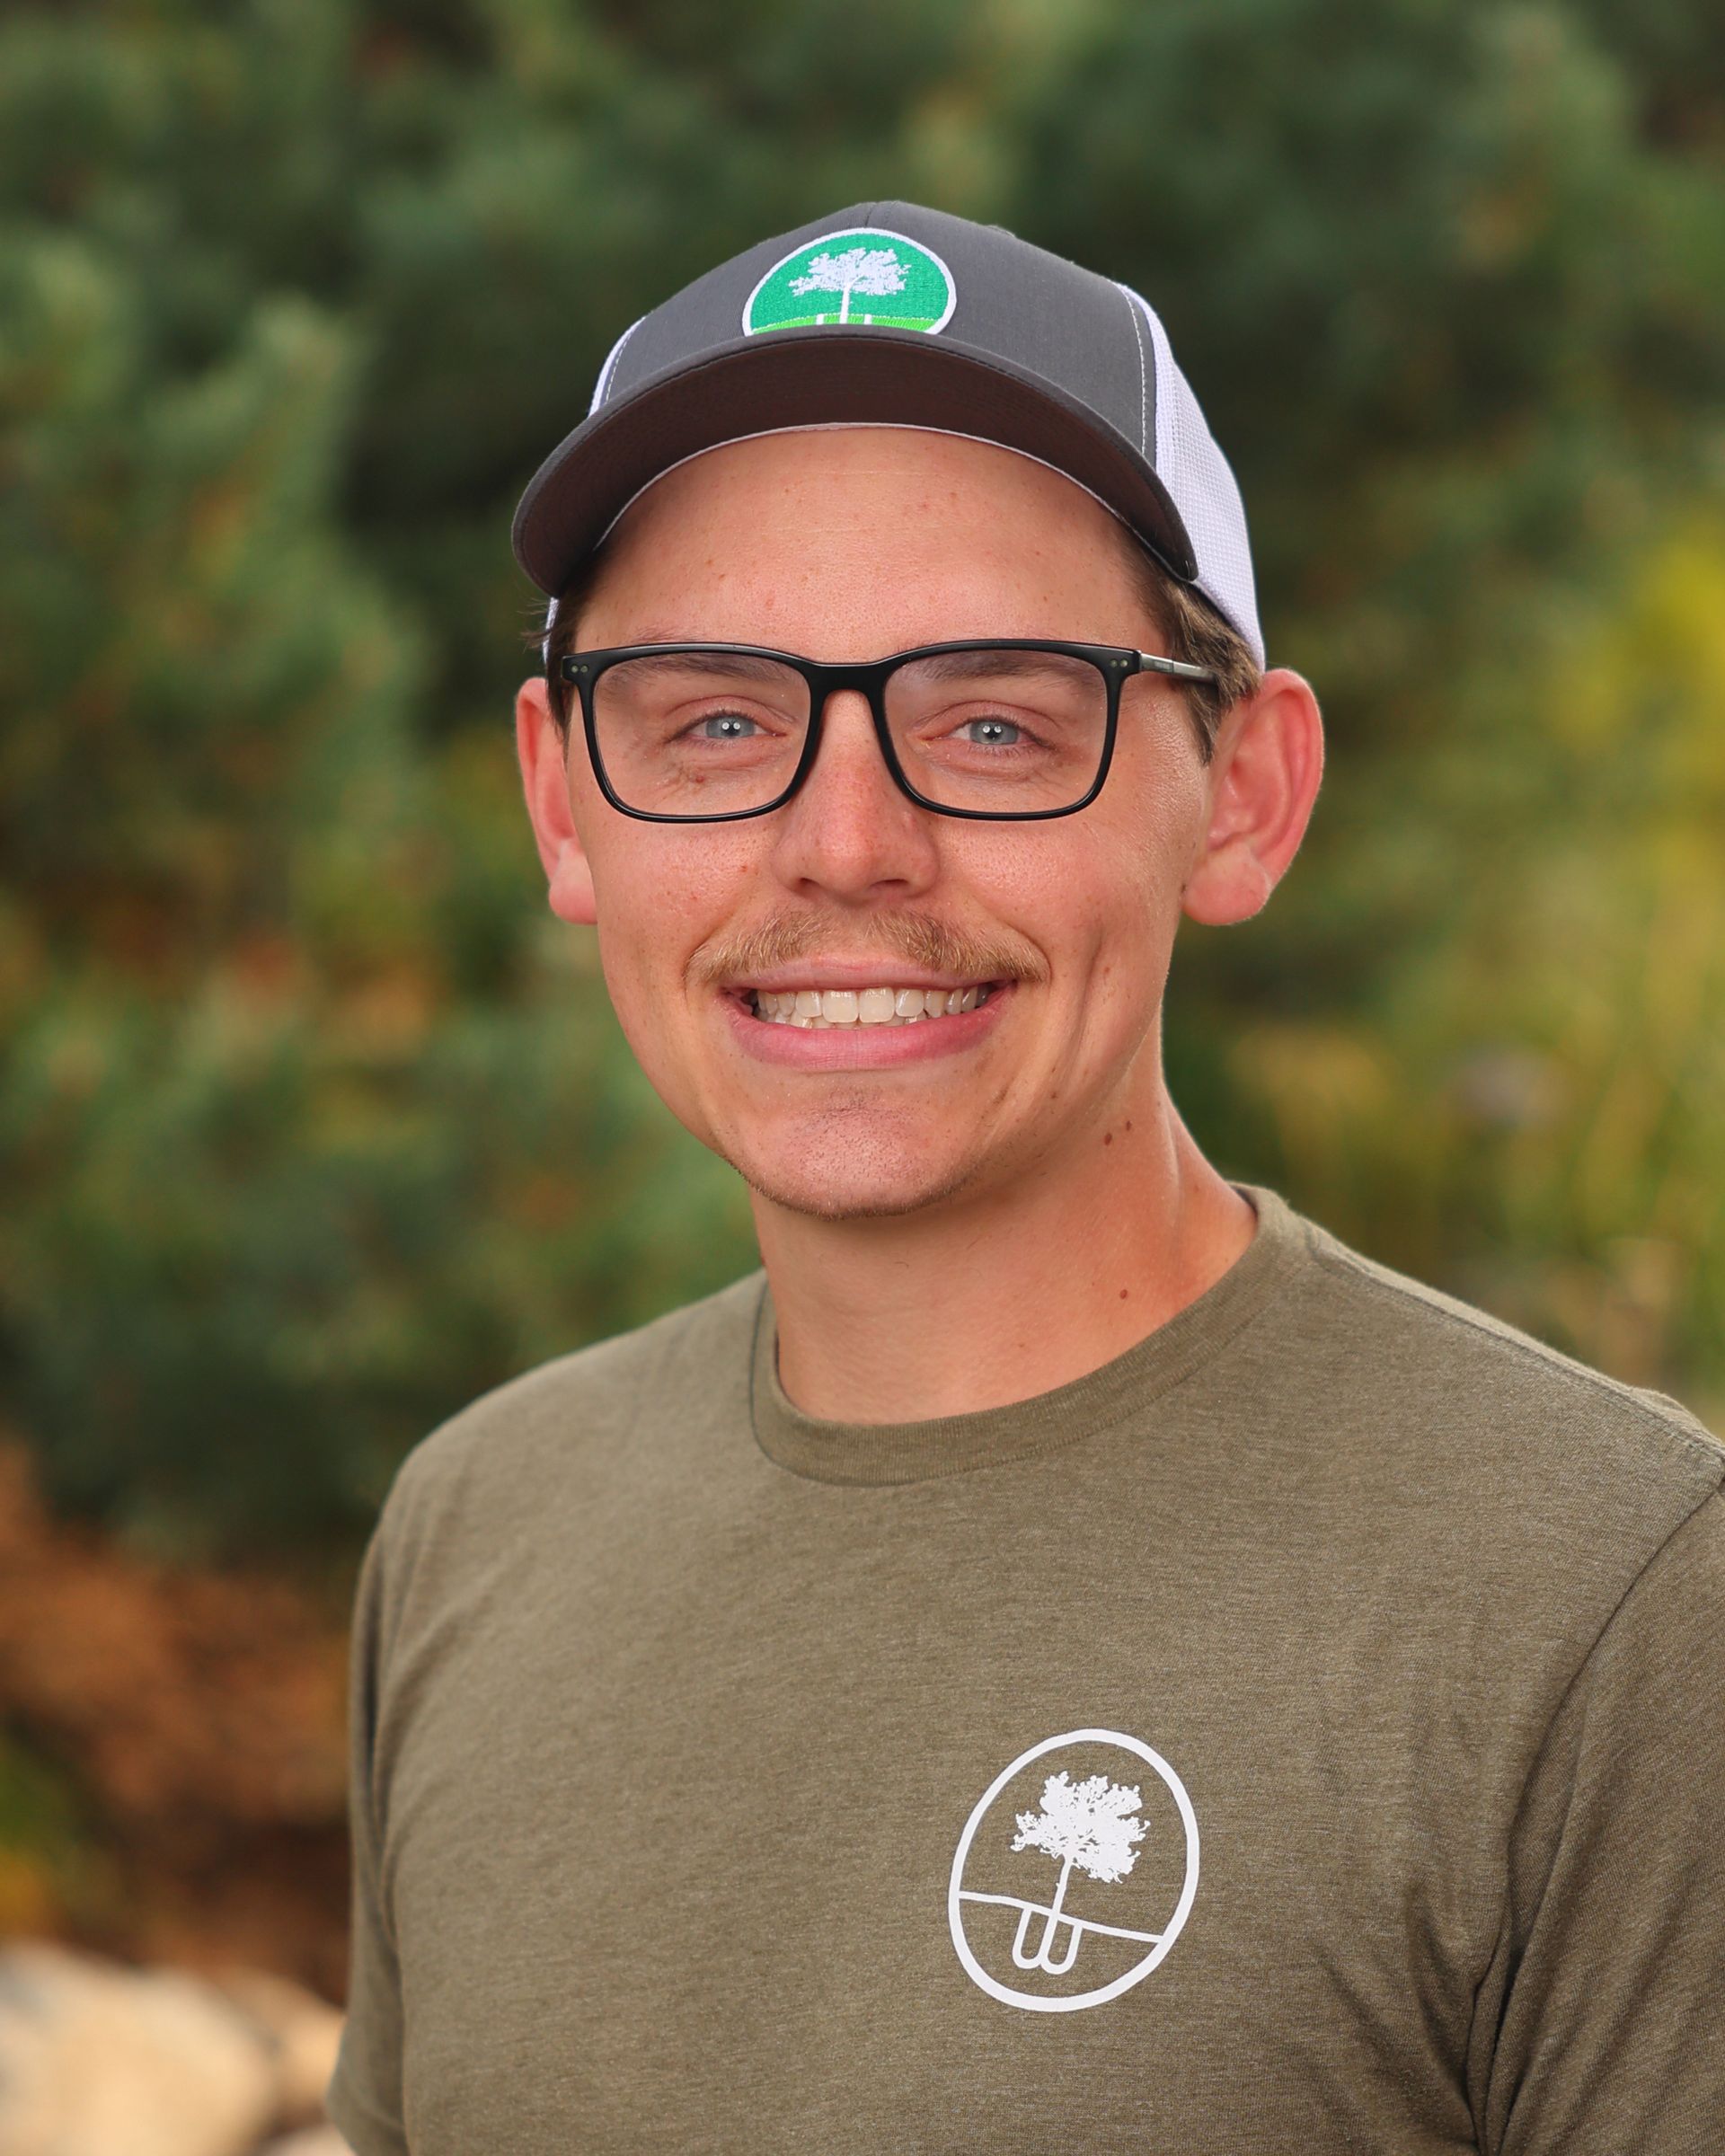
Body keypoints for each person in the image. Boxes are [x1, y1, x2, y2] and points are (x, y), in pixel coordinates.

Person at [324, 203, 1725, 2154]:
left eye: (992, 720)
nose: (843, 843)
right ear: (563, 803)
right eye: (717, 720)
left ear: (1245, 797)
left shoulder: (1609, 1600)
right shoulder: (478, 1531)